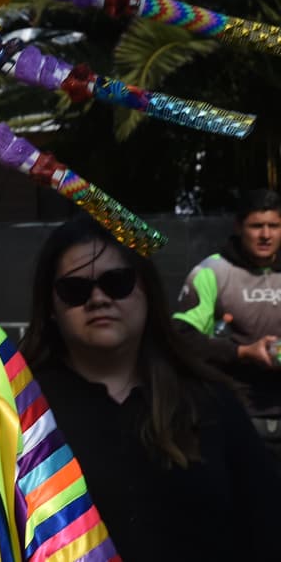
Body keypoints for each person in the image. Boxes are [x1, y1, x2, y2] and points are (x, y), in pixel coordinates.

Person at [21, 213, 274, 562]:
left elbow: (266, 527)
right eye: (75, 290)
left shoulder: (211, 402)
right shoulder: (26, 413)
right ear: (51, 306)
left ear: (147, 290)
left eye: (117, 282)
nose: (98, 299)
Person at [173, 188, 281, 460]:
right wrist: (242, 352)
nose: (266, 235)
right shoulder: (212, 273)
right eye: (257, 226)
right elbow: (180, 339)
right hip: (236, 415)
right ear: (239, 227)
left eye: (274, 226)